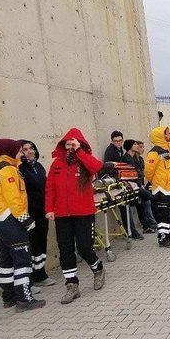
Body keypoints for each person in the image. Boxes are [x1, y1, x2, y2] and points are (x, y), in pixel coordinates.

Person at [45, 128, 106, 304]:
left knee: (84, 247)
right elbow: (50, 188)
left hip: (83, 213)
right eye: (67, 143)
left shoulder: (85, 160)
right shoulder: (57, 163)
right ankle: (72, 286)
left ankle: (98, 269)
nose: (70, 146)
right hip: (62, 214)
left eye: (73, 143)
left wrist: (79, 150)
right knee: (65, 250)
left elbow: (96, 167)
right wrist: (49, 208)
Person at [0, 139, 45, 311]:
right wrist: (26, 220)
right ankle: (24, 299)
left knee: (7, 260)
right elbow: (13, 198)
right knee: (22, 259)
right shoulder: (8, 169)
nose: (21, 153)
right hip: (10, 219)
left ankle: (9, 297)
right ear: (10, 151)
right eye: (19, 150)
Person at [19, 140, 55, 286]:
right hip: (30, 215)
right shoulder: (20, 169)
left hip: (42, 212)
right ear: (21, 153)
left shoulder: (39, 167)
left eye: (31, 148)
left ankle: (41, 275)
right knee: (32, 245)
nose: (29, 151)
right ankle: (33, 278)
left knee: (42, 242)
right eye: (25, 149)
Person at [145, 126, 170, 248]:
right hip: (162, 190)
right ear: (160, 136)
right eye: (167, 134)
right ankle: (163, 238)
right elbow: (148, 171)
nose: (169, 136)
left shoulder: (168, 150)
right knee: (163, 215)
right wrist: (157, 182)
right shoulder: (154, 152)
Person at [123, 139, 157, 235]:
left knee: (141, 205)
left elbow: (139, 172)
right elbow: (131, 174)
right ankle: (140, 228)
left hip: (138, 184)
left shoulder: (134, 158)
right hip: (132, 186)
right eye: (135, 144)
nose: (137, 145)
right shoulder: (126, 158)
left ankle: (146, 226)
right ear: (130, 146)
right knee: (151, 197)